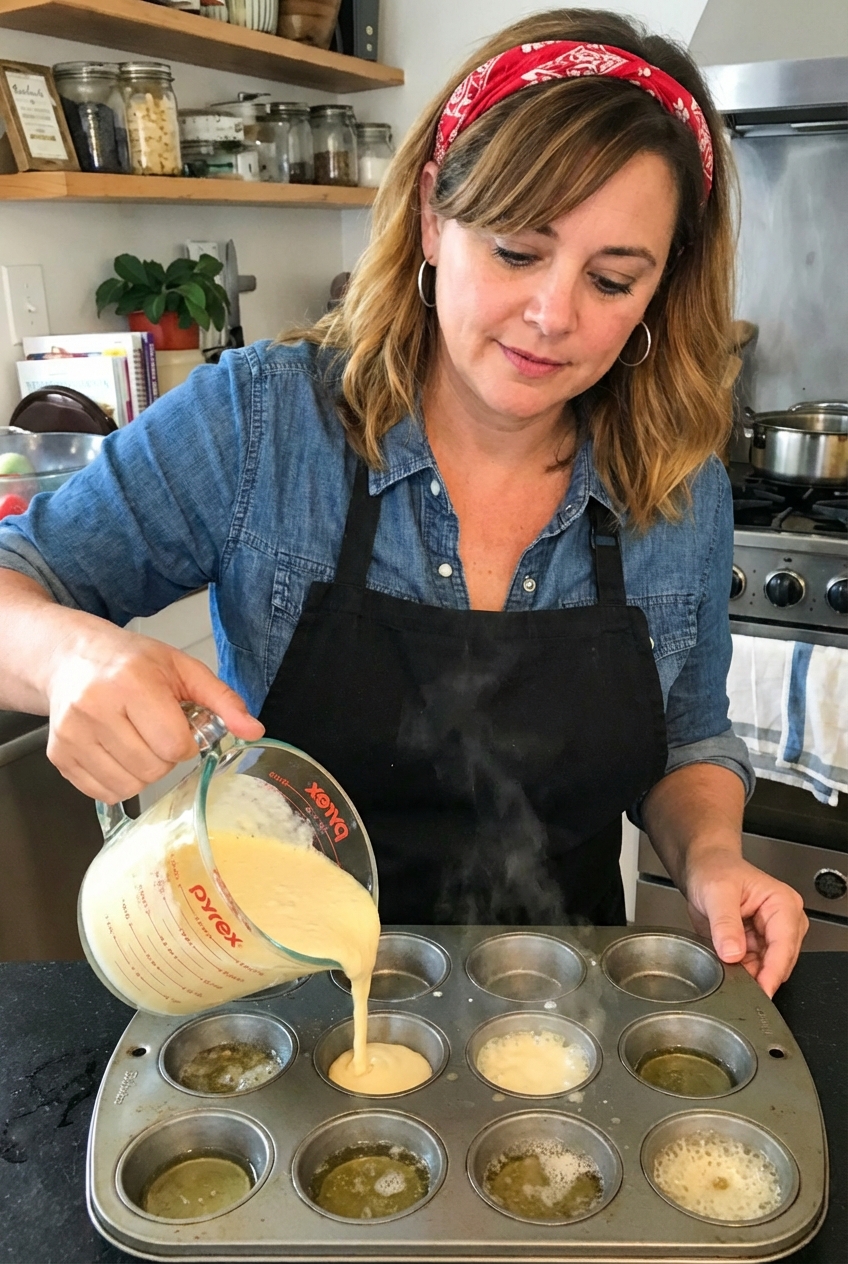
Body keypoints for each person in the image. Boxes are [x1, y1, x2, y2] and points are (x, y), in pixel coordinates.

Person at [0, 9, 807, 995]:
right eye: (516, 251)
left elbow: (685, 740)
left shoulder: (676, 484)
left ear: (661, 286)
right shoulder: (262, 425)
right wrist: (66, 651)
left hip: (560, 1016)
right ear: (432, 215)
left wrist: (711, 856)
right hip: (280, 998)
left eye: (610, 278)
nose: (552, 316)